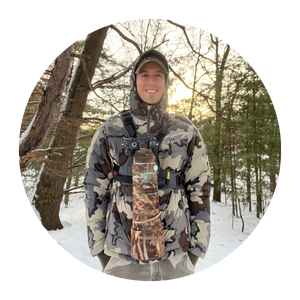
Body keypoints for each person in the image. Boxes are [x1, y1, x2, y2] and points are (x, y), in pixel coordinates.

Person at [83, 49, 211, 283]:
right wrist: (100, 250)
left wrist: (195, 250)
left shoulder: (184, 130)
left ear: (166, 81)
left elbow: (200, 188)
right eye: (144, 75)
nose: (151, 81)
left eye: (158, 75)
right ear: (135, 80)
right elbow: (94, 190)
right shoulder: (110, 130)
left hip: (175, 256)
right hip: (121, 256)